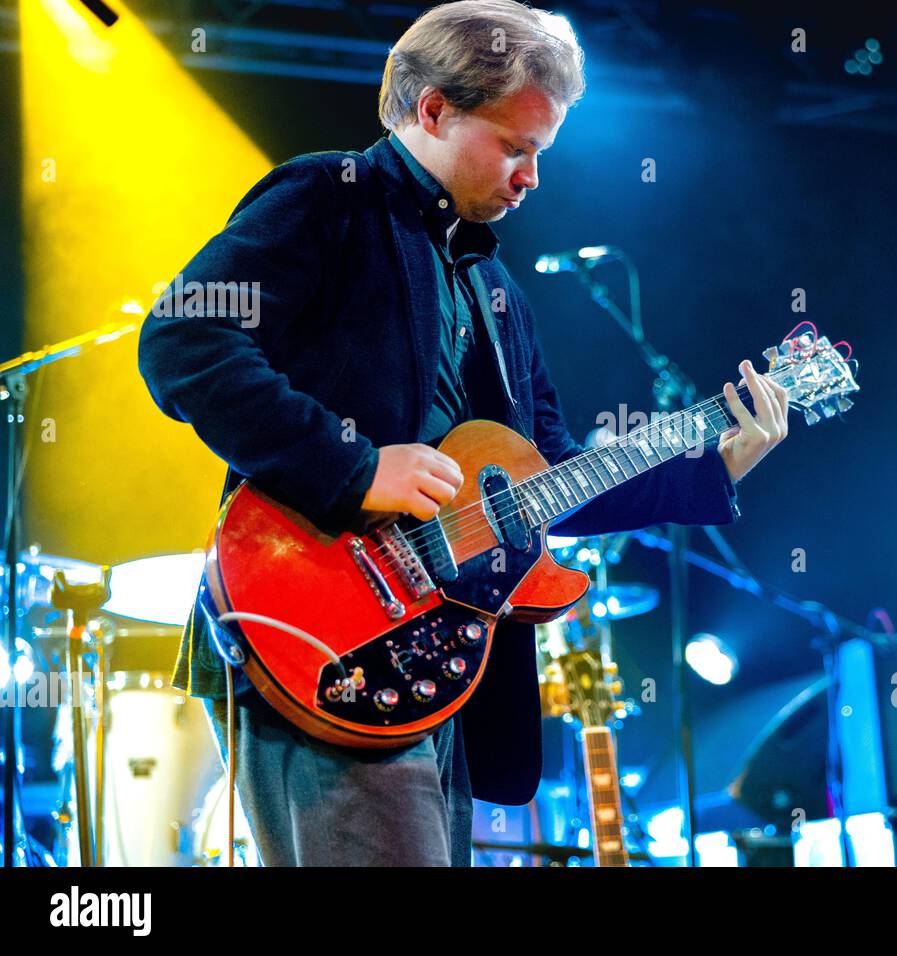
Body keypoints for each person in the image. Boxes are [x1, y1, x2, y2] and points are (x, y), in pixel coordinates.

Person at [137, 0, 789, 866]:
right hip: (321, 623)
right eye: (515, 147)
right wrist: (355, 469)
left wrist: (711, 469)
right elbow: (182, 337)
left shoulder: (492, 285)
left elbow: (549, 472)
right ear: (434, 110)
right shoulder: (331, 197)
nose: (530, 177)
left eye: (539, 155)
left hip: (437, 658)